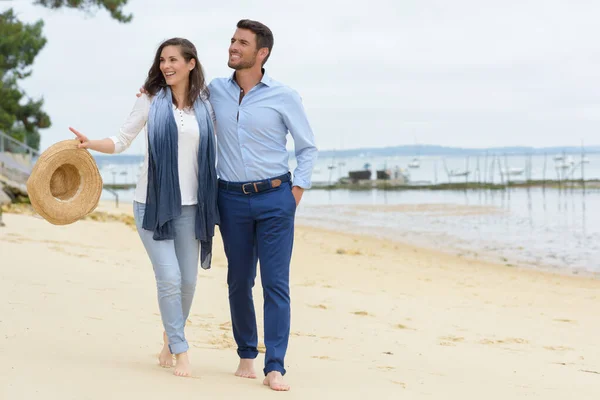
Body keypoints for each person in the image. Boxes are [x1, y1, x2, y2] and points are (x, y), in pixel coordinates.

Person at [71, 38, 219, 378]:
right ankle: (181, 350)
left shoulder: (206, 105)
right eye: (162, 60)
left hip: (192, 207)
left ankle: (170, 335)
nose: (166, 66)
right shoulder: (150, 100)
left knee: (189, 283)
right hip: (151, 204)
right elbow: (122, 140)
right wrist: (91, 143)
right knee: (169, 278)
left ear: (191, 64)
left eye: (173, 60)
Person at [209, 19, 317, 391]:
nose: (233, 47)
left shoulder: (284, 95)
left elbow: (307, 148)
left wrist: (295, 194)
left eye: (242, 43)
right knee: (239, 281)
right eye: (232, 41)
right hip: (231, 199)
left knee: (275, 283)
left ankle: (276, 366)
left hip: (275, 199)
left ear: (262, 53)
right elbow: (181, 103)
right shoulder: (214, 92)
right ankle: (245, 356)